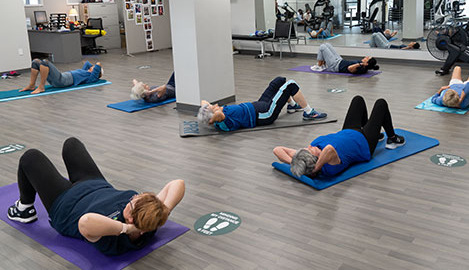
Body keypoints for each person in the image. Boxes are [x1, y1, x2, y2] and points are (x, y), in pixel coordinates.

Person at [7, 137, 185, 256]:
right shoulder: (150, 218)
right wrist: (164, 212)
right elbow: (177, 183)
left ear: (130, 220)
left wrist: (126, 229)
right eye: (135, 197)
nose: (132, 198)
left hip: (65, 202)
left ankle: (24, 209)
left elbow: (85, 222)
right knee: (72, 144)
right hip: (96, 184)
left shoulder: (112, 239)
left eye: (131, 203)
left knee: (31, 157)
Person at [273, 96, 405, 178]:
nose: (309, 146)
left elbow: (277, 149)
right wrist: (315, 168)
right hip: (364, 143)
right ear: (316, 160)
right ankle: (392, 138)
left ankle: (374, 133)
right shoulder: (329, 165)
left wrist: (296, 164)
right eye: (310, 150)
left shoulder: (306, 157)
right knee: (381, 104)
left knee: (357, 100)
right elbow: (329, 149)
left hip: (348, 131)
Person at [198, 76, 327, 131]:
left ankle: (293, 106)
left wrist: (206, 109)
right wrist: (210, 115)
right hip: (265, 114)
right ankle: (309, 113)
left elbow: (203, 101)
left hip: (259, 104)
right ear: (212, 118)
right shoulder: (222, 121)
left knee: (279, 81)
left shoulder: (217, 115)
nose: (215, 105)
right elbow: (216, 115)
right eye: (212, 107)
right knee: (291, 85)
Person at [20, 59, 102, 94]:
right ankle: (31, 85)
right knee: (35, 62)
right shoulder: (85, 71)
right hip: (59, 78)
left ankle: (41, 87)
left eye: (94, 68)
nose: (93, 66)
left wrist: (96, 69)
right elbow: (87, 63)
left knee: (45, 62)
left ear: (96, 72)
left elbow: (98, 64)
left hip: (62, 81)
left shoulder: (91, 77)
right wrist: (91, 67)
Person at [311, 43, 379, 74]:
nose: (366, 57)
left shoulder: (361, 68)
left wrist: (359, 64)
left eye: (367, 58)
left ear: (366, 63)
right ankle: (323, 64)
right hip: (339, 60)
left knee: (322, 47)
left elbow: (350, 68)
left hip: (335, 66)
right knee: (328, 44)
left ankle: (319, 66)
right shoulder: (363, 66)